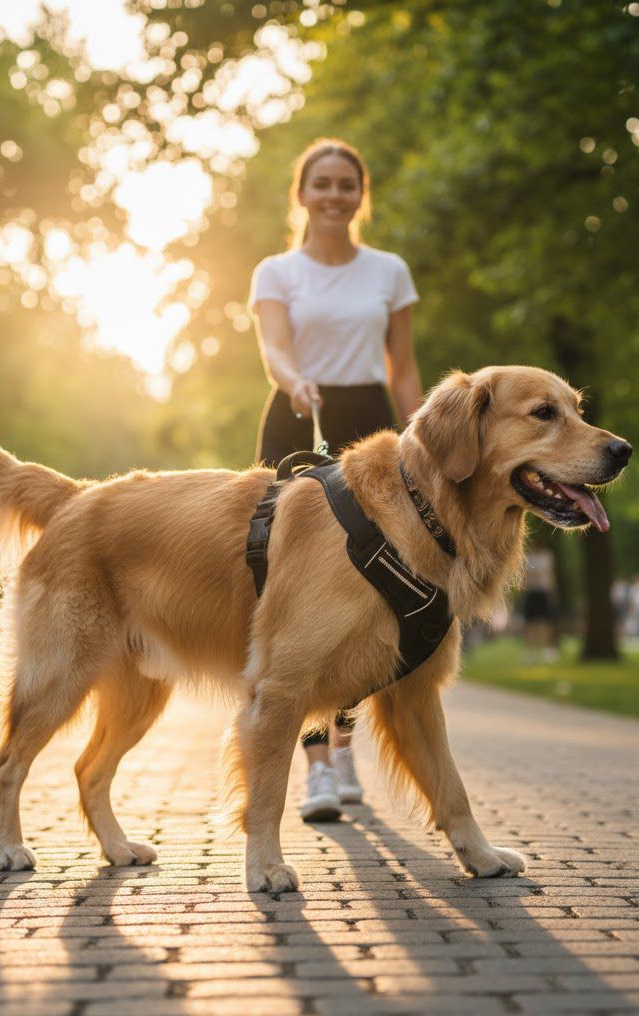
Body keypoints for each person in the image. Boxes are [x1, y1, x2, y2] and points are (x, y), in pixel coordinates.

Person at [248, 138, 424, 823]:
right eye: (320, 183)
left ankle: (345, 748)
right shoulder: (276, 271)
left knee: (370, 592)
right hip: (299, 414)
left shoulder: (389, 271)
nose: (333, 195)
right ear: (301, 193)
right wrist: (293, 380)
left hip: (372, 425)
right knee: (298, 595)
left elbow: (404, 368)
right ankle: (315, 766)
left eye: (346, 184)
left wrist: (422, 440)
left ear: (360, 194)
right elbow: (273, 346)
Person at [521, 546, 558, 662]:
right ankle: (529, 651)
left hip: (543, 591)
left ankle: (548, 650)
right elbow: (525, 576)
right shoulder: (527, 557)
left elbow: (549, 575)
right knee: (529, 623)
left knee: (545, 622)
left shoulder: (547, 556)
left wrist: (552, 592)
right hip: (531, 592)